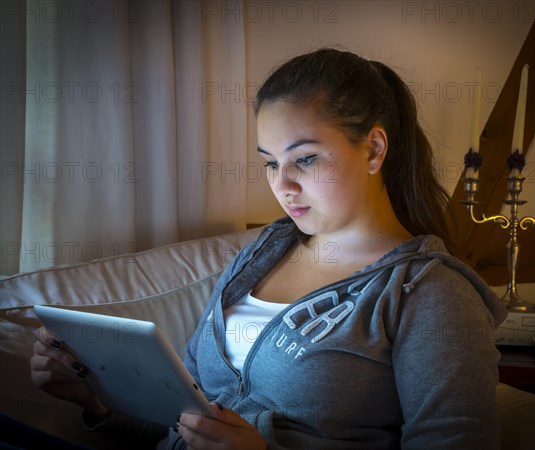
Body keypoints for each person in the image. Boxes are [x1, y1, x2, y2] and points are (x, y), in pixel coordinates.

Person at [31, 48, 508, 449]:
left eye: (304, 159)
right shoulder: (264, 252)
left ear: (375, 149)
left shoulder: (428, 292)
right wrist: (94, 399)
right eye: (270, 163)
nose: (283, 186)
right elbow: (186, 417)